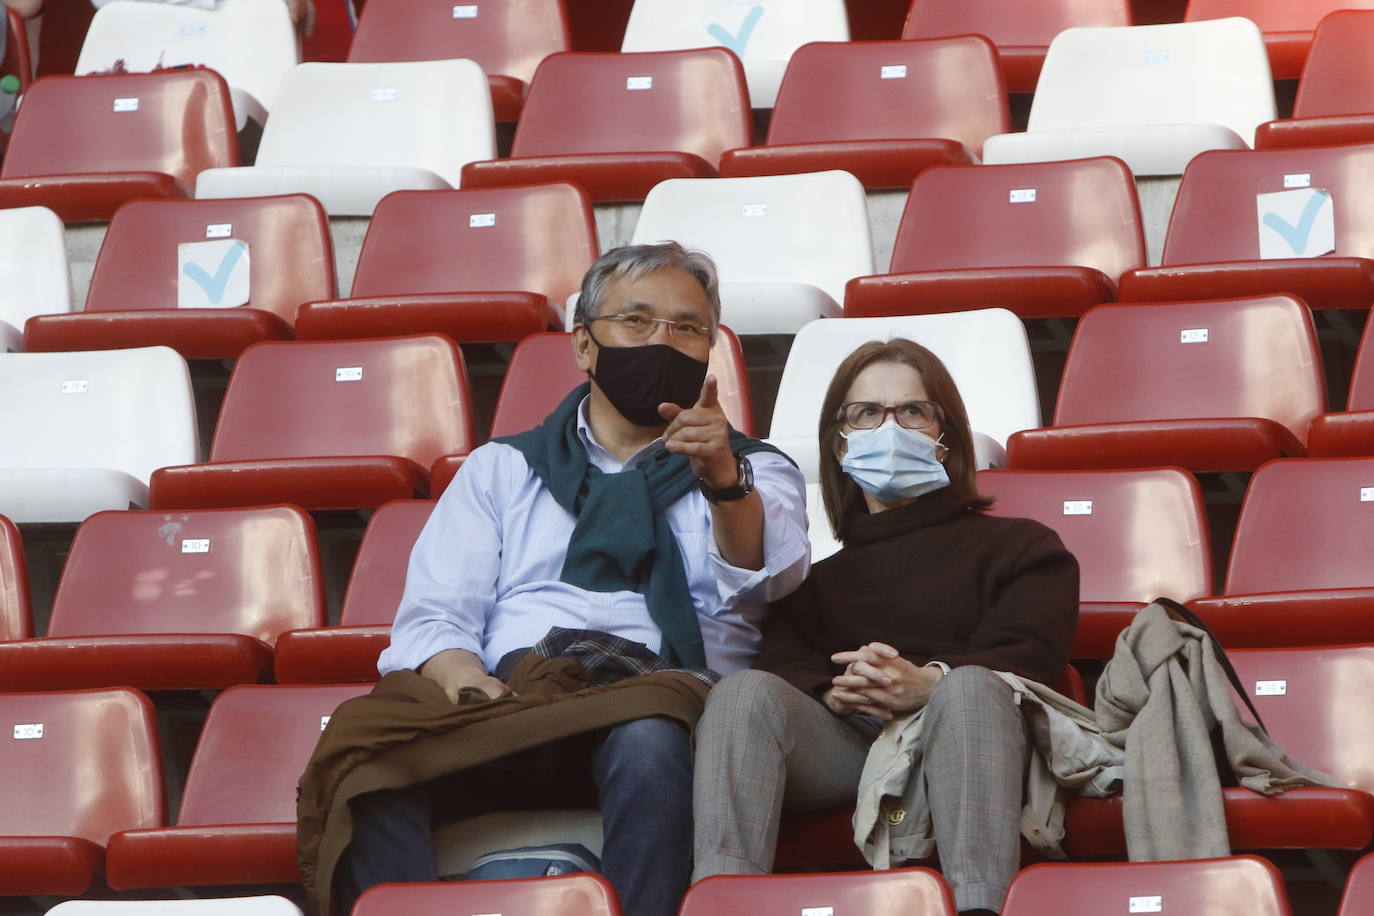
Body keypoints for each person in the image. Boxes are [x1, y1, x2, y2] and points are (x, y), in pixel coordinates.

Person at [335, 242, 810, 916]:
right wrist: (469, 684)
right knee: (367, 752)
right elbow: (436, 616)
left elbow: (775, 582)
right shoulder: (502, 468)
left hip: (664, 694)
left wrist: (723, 484)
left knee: (648, 739)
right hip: (512, 696)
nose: (662, 342)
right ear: (585, 346)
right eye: (637, 322)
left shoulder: (754, 468)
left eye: (687, 328)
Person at [692, 338, 1079, 915]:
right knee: (741, 693)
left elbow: (1034, 650)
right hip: (851, 745)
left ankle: (980, 907)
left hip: (975, 739)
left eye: (912, 411)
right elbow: (783, 665)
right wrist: (837, 693)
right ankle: (721, 903)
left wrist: (930, 682)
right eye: (867, 413)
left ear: (946, 438)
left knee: (971, 688)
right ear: (839, 441)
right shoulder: (811, 582)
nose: (888, 427)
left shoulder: (1021, 545)